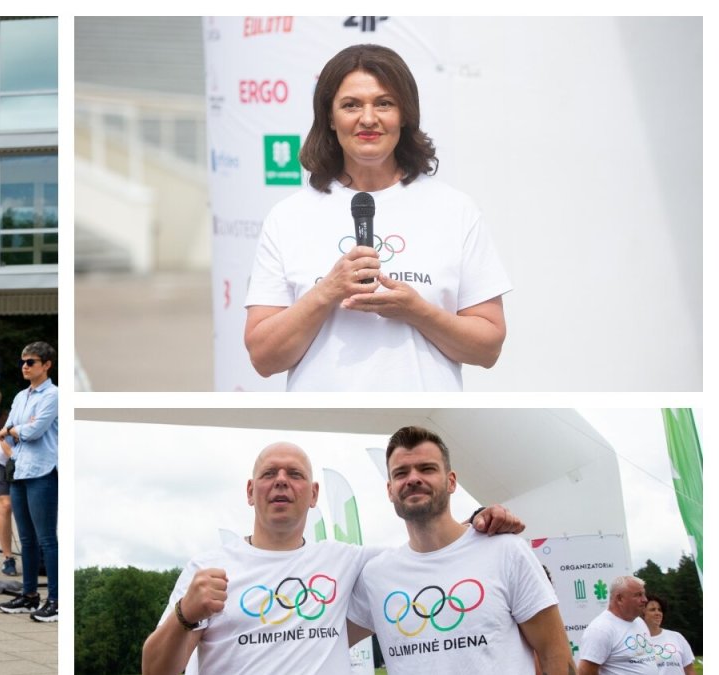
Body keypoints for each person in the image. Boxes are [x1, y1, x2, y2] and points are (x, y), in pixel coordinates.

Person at [244, 44, 510, 391]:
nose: (368, 119)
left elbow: (488, 347)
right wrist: (327, 291)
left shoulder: (455, 210)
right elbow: (263, 357)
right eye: (351, 105)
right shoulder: (288, 217)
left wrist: (416, 310)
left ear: (405, 114)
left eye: (384, 103)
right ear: (329, 116)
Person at [141, 441, 524, 674]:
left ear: (313, 494)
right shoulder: (207, 570)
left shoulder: (351, 563)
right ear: (249, 490)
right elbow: (154, 670)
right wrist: (183, 616)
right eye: (269, 473)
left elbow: (431, 552)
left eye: (295, 474)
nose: (281, 481)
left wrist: (479, 520)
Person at [347, 426, 572, 674]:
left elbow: (555, 652)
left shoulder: (506, 551)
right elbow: (318, 641)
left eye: (427, 468)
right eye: (401, 473)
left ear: (451, 481)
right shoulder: (376, 576)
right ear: (390, 490)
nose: (413, 478)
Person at [0, 342, 59, 622]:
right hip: (20, 470)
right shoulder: (21, 396)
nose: (25, 366)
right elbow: (6, 432)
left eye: (31, 362)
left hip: (43, 471)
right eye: (23, 361)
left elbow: (33, 431)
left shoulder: (54, 395)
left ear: (47, 365)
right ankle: (30, 595)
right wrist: (16, 430)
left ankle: (56, 600)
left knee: (46, 539)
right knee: (27, 539)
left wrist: (16, 429)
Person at [577, 576, 658, 674]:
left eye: (644, 594)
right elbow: (584, 672)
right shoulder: (601, 629)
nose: (645, 599)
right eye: (638, 595)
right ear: (619, 599)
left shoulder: (639, 622)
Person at [641, 594, 695, 675]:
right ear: (642, 613)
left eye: (659, 610)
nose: (658, 613)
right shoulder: (637, 641)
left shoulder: (677, 637)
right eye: (652, 610)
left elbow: (690, 671)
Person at [0, 437, 18, 576]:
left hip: (28, 463)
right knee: (6, 505)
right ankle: (8, 558)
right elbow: (2, 438)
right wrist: (16, 458)